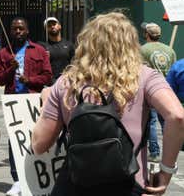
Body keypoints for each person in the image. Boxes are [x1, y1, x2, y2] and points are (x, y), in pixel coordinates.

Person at [32, 12, 184, 196]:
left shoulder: (67, 82)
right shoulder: (145, 76)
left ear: (87, 42)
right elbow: (177, 116)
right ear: (130, 43)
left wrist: (47, 101)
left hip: (76, 184)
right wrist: (166, 171)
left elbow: (39, 144)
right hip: (129, 184)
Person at [0, 17, 51, 196]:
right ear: (10, 32)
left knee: (37, 139)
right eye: (14, 29)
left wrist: (30, 80)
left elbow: (48, 76)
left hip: (34, 101)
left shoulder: (39, 51)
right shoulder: (4, 53)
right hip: (14, 102)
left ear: (27, 31)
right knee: (15, 141)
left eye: (21, 28)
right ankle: (17, 180)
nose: (17, 31)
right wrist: (11, 69)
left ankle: (36, 177)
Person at [139, 22, 176, 162]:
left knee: (152, 122)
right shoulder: (169, 50)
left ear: (147, 34)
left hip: (151, 91)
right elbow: (173, 70)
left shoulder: (142, 50)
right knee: (166, 122)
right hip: (167, 90)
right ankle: (169, 152)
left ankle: (154, 152)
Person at [40, 17, 75, 82]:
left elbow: (74, 64)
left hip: (66, 82)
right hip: (49, 84)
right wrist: (44, 58)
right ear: (46, 29)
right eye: (49, 26)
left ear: (59, 26)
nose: (52, 27)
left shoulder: (69, 45)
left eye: (54, 24)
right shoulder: (42, 46)